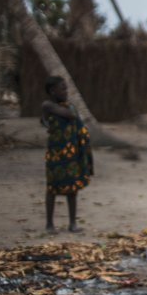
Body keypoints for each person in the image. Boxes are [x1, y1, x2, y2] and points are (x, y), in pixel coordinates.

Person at [41, 75, 93, 233]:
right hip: (56, 153)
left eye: (66, 88)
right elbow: (69, 115)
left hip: (71, 153)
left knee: (72, 188)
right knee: (52, 188)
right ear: (52, 91)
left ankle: (72, 223)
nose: (66, 91)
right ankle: (49, 224)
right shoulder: (48, 105)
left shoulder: (68, 106)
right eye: (63, 88)